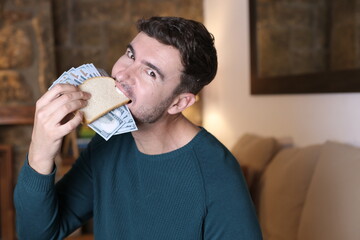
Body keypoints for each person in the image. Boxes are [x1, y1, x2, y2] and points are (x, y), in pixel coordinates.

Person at [14, 16, 262, 239]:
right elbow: (38, 234)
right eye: (130, 55)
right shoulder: (107, 144)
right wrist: (40, 151)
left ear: (179, 102)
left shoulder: (217, 175)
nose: (123, 75)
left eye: (150, 73)